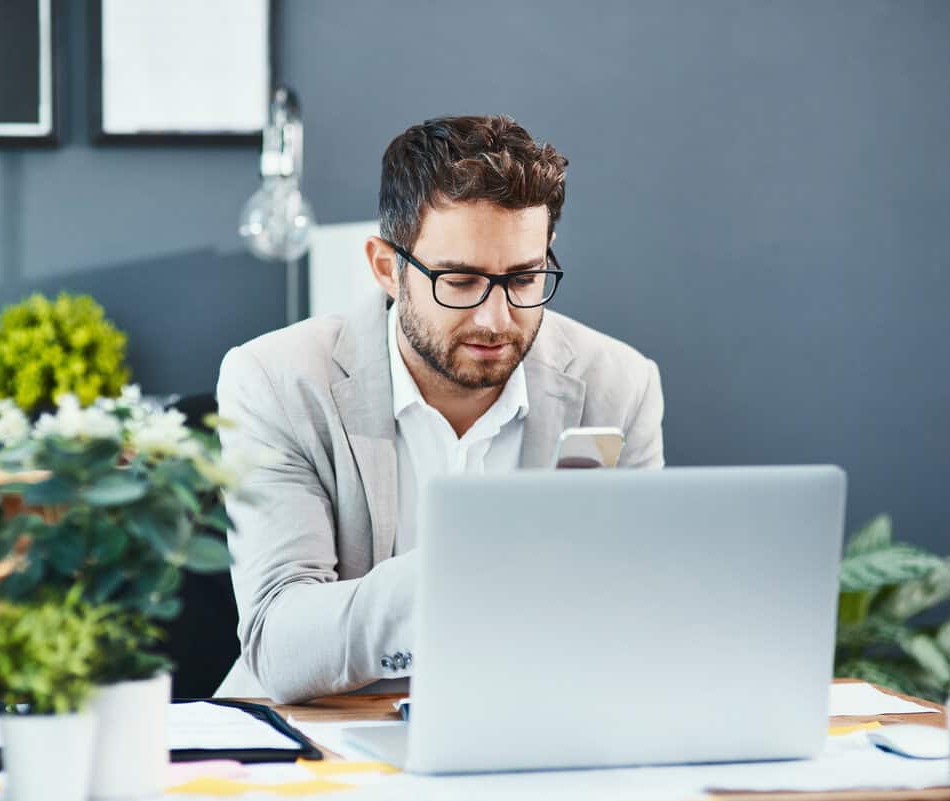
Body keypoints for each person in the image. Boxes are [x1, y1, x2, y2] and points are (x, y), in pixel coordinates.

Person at [214, 115, 665, 704]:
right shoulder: (277, 379)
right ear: (387, 268)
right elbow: (280, 642)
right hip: (323, 735)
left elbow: (637, 614)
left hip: (536, 726)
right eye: (459, 280)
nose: (495, 319)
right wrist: (476, 568)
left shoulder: (619, 383)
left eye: (524, 278)